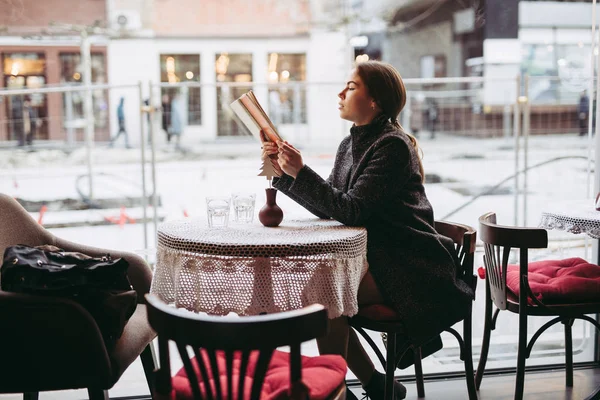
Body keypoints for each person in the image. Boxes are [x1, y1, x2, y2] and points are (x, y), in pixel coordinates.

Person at [261, 61, 474, 399]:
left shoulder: (392, 146)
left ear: (374, 101)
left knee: (324, 300)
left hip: (412, 263)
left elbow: (351, 210)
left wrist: (301, 172)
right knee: (324, 297)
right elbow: (328, 204)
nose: (340, 93)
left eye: (351, 86)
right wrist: (285, 172)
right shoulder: (352, 144)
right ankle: (376, 387)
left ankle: (354, 390)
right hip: (381, 256)